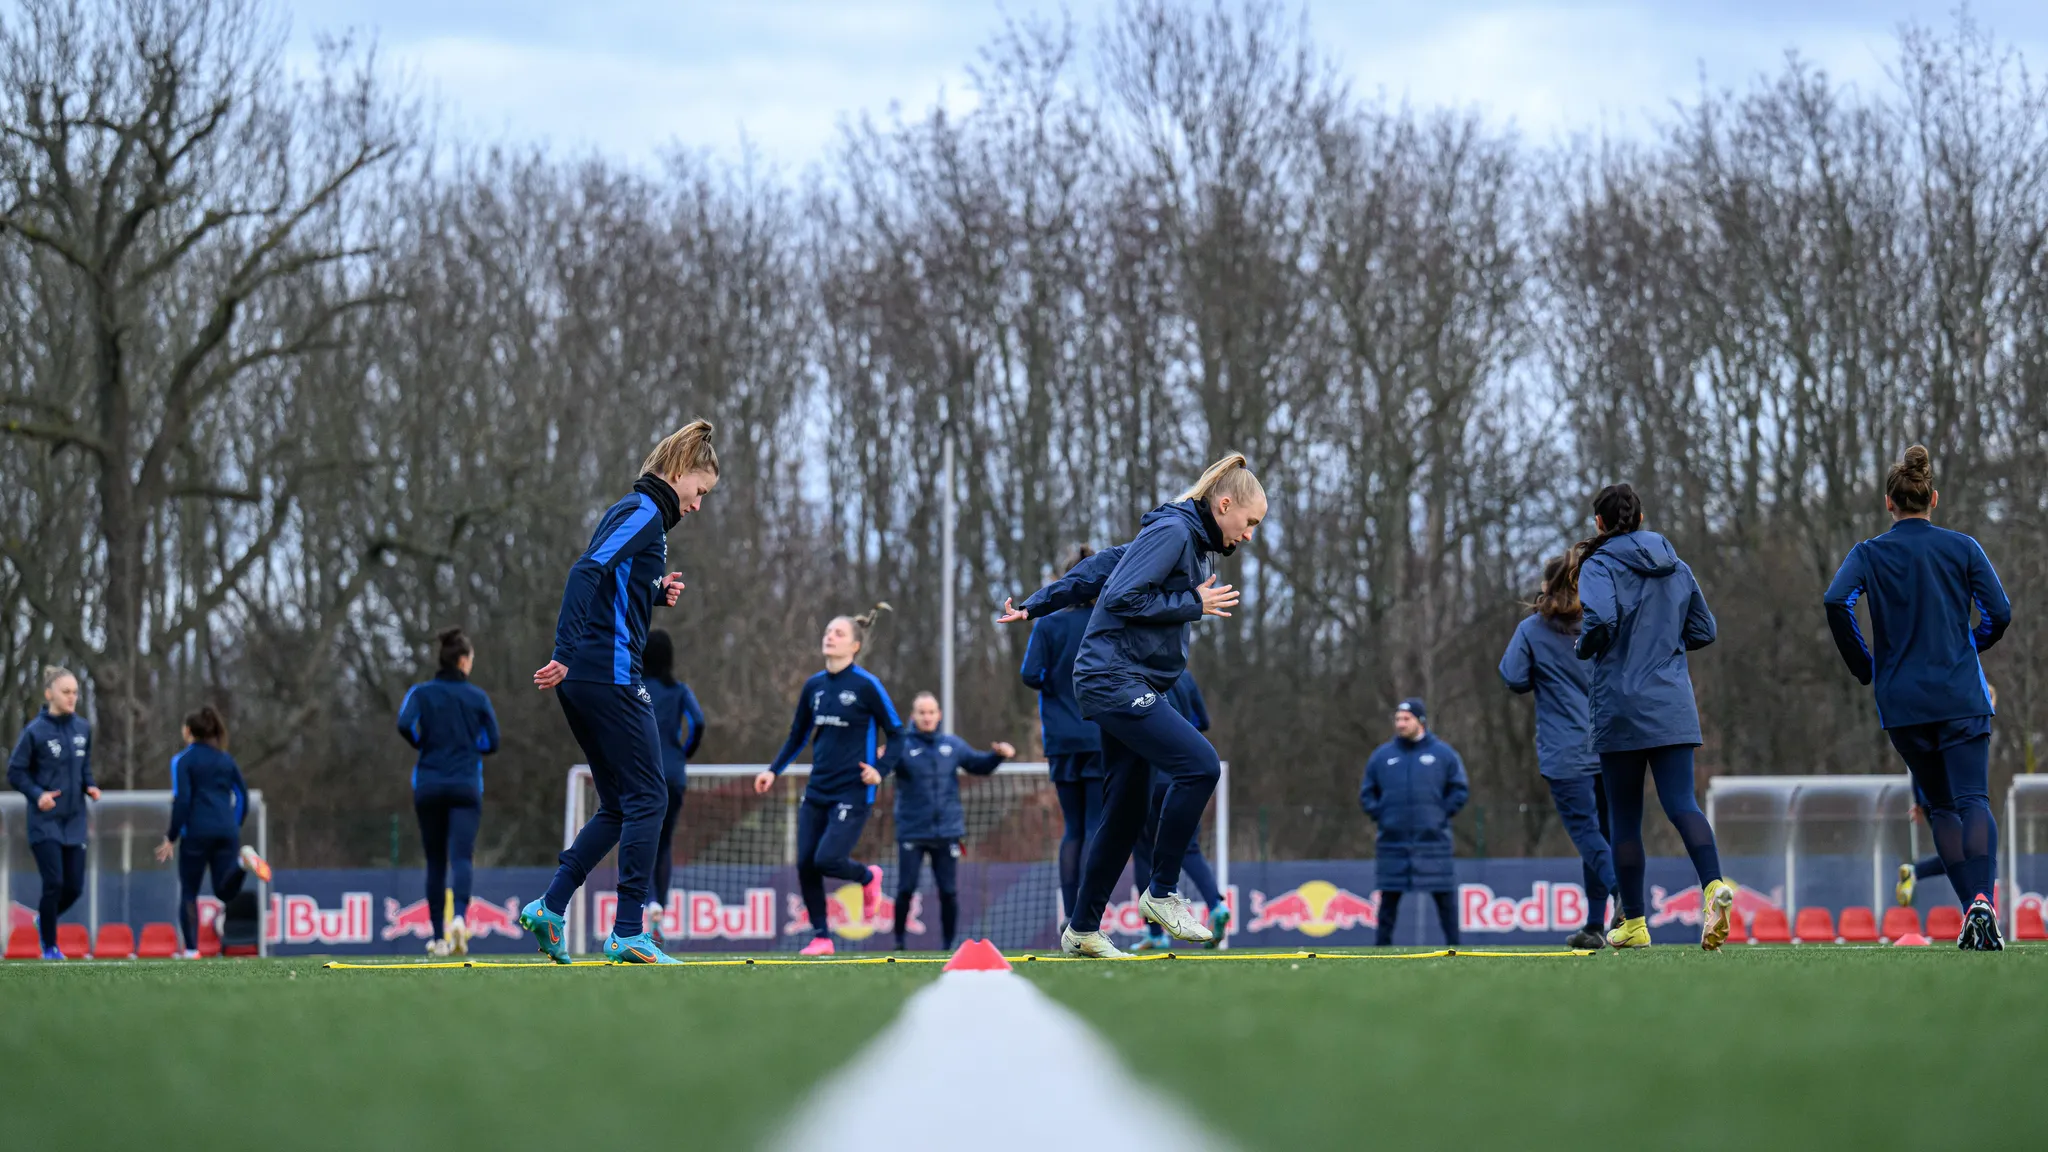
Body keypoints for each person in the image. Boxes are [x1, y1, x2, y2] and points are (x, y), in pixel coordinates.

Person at [1026, 453, 1265, 959]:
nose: (1248, 535)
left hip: (1125, 679)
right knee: (1199, 766)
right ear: (1224, 505)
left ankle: (1083, 928)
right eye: (1250, 523)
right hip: (1112, 677)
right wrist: (1192, 606)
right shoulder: (1174, 534)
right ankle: (1161, 892)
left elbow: (1099, 570)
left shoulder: (1191, 542)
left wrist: (1037, 602)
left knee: (1126, 809)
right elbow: (1119, 598)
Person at [522, 420, 719, 965]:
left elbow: (612, 579)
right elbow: (586, 570)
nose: (699, 505)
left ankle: (549, 907)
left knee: (619, 805)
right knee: (652, 797)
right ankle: (628, 931)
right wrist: (563, 651)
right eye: (700, 491)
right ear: (678, 474)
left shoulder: (637, 514)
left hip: (588, 675)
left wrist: (654, 591)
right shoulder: (644, 513)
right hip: (603, 673)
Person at [1825, 445, 2011, 950]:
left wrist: (1866, 665)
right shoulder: (1963, 547)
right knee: (1972, 800)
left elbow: (1836, 600)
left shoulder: (1868, 553)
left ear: (1890, 503)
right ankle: (1982, 905)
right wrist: (1972, 641)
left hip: (1902, 703)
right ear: (1934, 497)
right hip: (1959, 695)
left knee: (1942, 809)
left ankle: (1973, 913)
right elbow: (2000, 612)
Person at [1570, 483, 1735, 950]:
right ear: (1641, 519)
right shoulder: (1676, 564)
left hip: (1621, 707)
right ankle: (1713, 886)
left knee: (1624, 819)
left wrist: (1585, 646)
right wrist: (1666, 647)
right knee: (1683, 803)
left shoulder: (1597, 565)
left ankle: (1636, 924)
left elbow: (1599, 623)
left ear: (1599, 523)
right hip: (1672, 704)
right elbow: (1704, 629)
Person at [754, 605, 904, 956]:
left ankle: (868, 878)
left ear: (854, 646)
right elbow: (796, 736)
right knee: (805, 862)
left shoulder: (868, 686)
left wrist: (880, 772)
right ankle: (822, 936)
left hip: (853, 790)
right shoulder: (814, 687)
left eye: (838, 633)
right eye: (828, 632)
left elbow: (897, 735)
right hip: (818, 788)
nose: (830, 637)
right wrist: (772, 770)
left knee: (827, 859)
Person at [1500, 555, 1618, 950]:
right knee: (1604, 834)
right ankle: (1594, 925)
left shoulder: (1532, 629)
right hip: (1611, 742)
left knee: (1587, 834)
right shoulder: (1600, 623)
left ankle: (1627, 900)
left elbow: (1513, 676)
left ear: (1546, 586)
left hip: (1565, 750)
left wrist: (1544, 671)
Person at [1017, 545, 1108, 928]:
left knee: (1072, 828)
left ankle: (1072, 916)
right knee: (1093, 826)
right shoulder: (1106, 621)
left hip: (1061, 739)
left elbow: (1029, 674)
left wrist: (1054, 683)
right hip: (1103, 733)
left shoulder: (1048, 624)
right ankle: (1089, 920)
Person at [397, 627, 500, 956]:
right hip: (466, 784)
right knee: (461, 856)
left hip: (428, 783)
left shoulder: (420, 693)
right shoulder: (478, 697)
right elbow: (493, 741)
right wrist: (472, 746)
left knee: (436, 861)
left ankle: (438, 937)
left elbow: (404, 723)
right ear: (462, 661)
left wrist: (421, 741)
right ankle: (459, 918)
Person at [889, 691, 1014, 950]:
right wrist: (878, 757)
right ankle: (899, 941)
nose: (927, 717)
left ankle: (948, 945)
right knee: (905, 889)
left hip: (947, 830)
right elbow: (880, 765)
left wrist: (997, 755)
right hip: (912, 830)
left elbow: (979, 765)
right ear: (913, 716)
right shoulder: (901, 745)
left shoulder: (952, 745)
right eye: (922, 712)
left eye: (931, 712)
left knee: (948, 891)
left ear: (939, 715)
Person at [153, 705, 272, 958]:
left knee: (189, 891)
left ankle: (192, 950)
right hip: (226, 830)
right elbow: (242, 795)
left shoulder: (183, 760)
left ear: (188, 731)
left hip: (196, 832)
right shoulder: (225, 760)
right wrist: (234, 824)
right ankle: (242, 862)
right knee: (224, 891)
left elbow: (182, 800)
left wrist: (171, 836)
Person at [1129, 669, 1229, 952]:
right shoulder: (1183, 677)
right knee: (1189, 846)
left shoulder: (1133, 676)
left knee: (1143, 852)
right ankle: (1216, 903)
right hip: (1184, 775)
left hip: (1150, 775)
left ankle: (1156, 933)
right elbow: (1202, 721)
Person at [8, 666, 101, 960]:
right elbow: (16, 771)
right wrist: (38, 795)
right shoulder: (34, 732)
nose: (72, 697)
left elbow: (84, 767)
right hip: (45, 822)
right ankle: (50, 947)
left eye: (75, 692)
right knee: (54, 883)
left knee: (74, 887)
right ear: (49, 694)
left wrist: (90, 786)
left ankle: (43, 919)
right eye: (66, 692)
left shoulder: (83, 728)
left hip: (75, 820)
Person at [1359, 699, 1468, 948]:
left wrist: (1439, 816)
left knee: (1445, 898)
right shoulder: (1382, 757)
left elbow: (1459, 790)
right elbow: (1367, 793)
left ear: (1420, 721)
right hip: (1392, 841)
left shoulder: (1443, 755)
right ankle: (1381, 950)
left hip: (1433, 841)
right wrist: (1383, 816)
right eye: (1397, 719)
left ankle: (1456, 948)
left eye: (1406, 719)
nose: (1400, 724)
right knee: (1388, 900)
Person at [643, 628, 705, 941]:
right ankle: (659, 907)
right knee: (664, 843)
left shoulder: (634, 687)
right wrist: (684, 751)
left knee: (640, 839)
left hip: (641, 772)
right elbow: (698, 722)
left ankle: (645, 903)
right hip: (673, 774)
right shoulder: (679, 690)